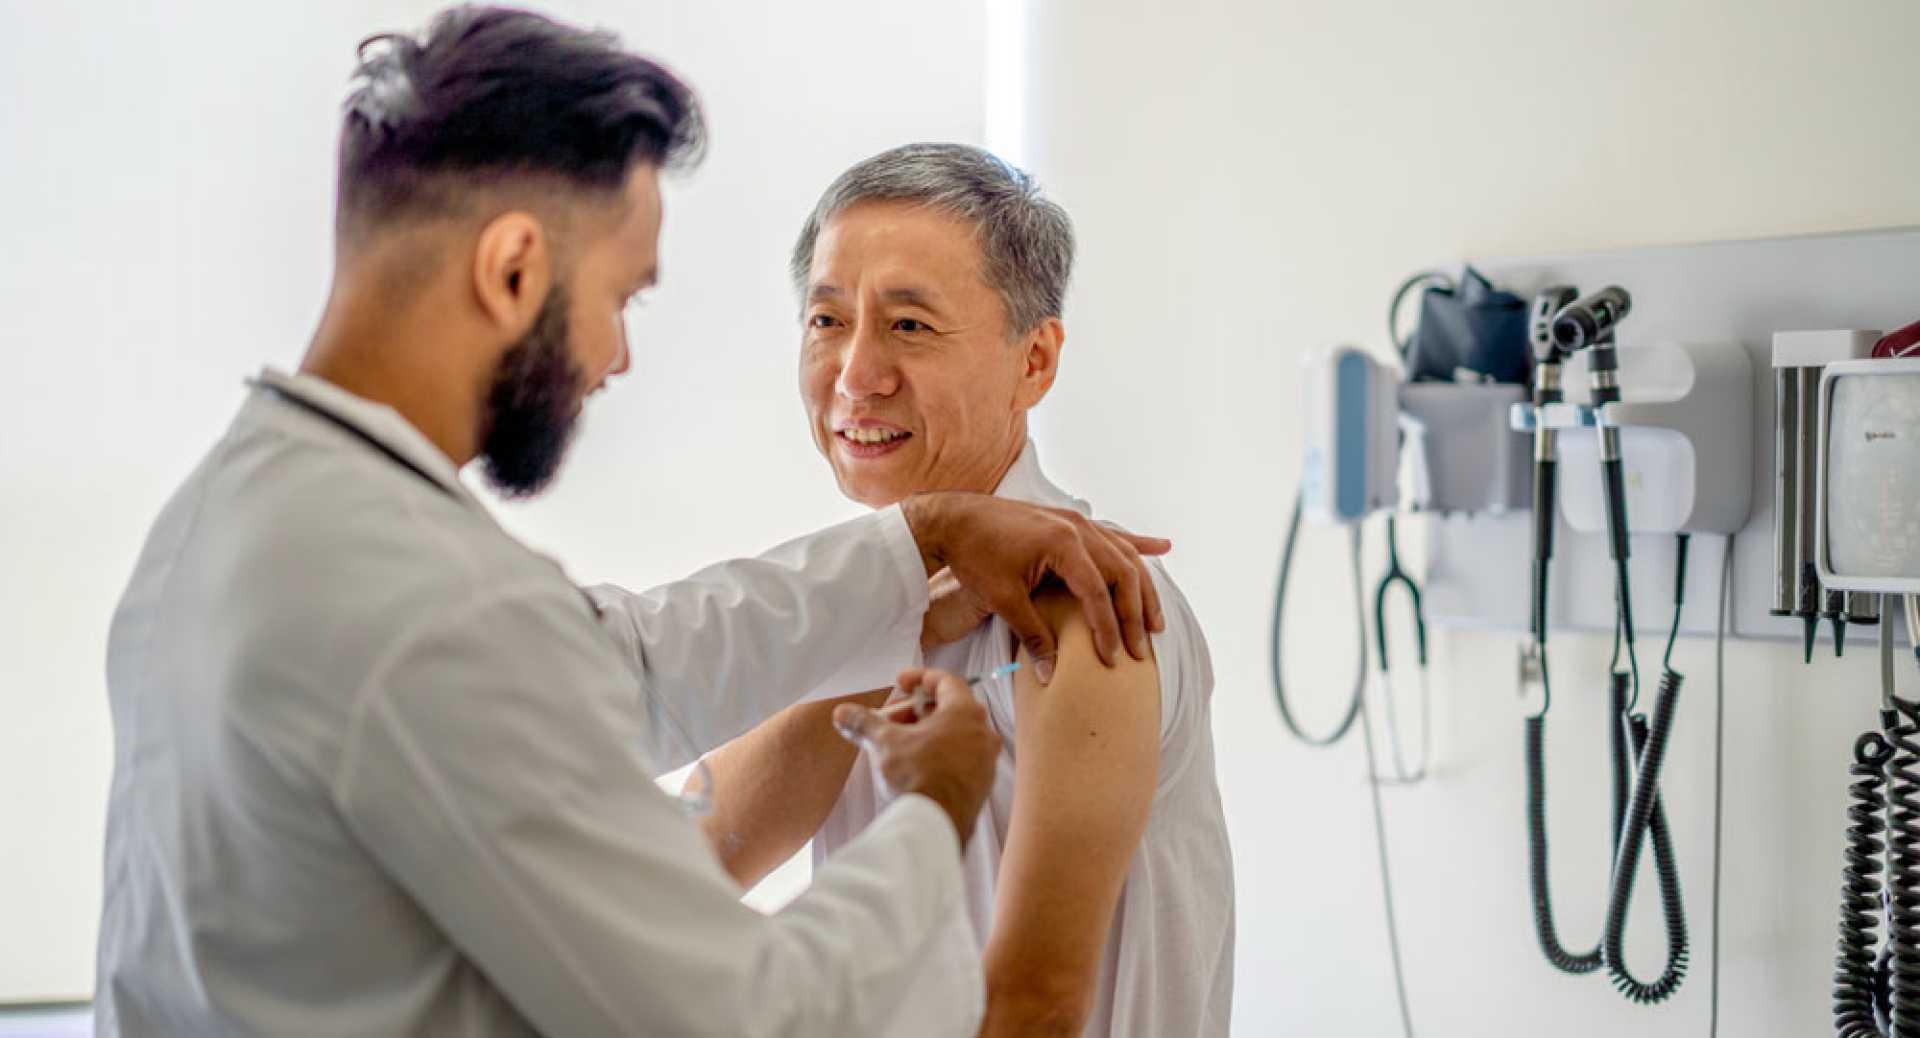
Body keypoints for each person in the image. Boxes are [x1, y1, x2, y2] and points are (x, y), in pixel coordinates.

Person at [93, 11, 1171, 1036]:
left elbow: (625, 661)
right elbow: (745, 1011)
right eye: (621, 297)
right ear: (513, 269)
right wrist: (933, 806)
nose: (617, 358)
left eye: (910, 324)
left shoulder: (227, 522)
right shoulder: (422, 608)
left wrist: (918, 543)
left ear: (1036, 359)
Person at [697, 143, 1235, 1037]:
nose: (857, 375)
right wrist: (893, 618)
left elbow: (1035, 1008)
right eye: (827, 321)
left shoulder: (1090, 604)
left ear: (1035, 361)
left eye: (909, 326)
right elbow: (671, 876)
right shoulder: (856, 606)